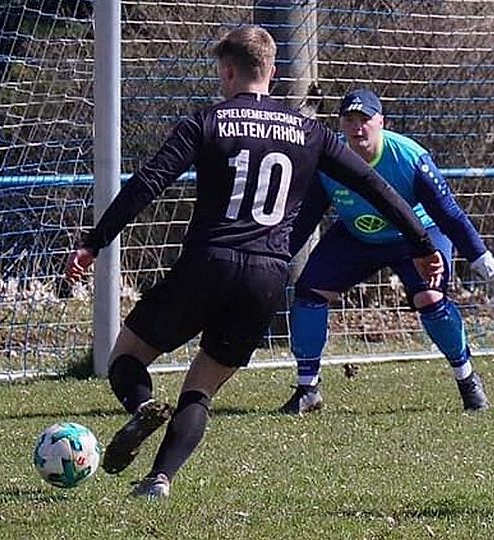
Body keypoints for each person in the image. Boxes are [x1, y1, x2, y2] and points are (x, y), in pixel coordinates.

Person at [64, 27, 443, 499]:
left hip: (207, 263)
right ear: (274, 72)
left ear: (227, 71)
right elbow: (376, 187)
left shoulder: (207, 121)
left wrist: (95, 241)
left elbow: (148, 183)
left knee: (127, 357)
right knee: (202, 386)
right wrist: (423, 244)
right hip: (267, 276)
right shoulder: (311, 132)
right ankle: (159, 480)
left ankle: (142, 408)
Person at [279, 89, 494, 416]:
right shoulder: (329, 161)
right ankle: (307, 389)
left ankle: (467, 379)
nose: (357, 128)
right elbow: (304, 221)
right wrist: (268, 264)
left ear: (381, 121)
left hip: (419, 239)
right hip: (357, 235)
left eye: (365, 120)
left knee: (430, 300)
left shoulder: (409, 158)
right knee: (309, 293)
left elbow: (451, 216)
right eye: (349, 120)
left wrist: (489, 270)